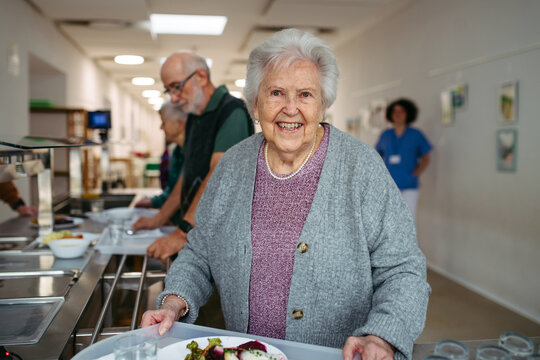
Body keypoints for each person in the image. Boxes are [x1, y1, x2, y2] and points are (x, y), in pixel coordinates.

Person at [141, 29, 430, 360]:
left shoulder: (361, 167)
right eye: (276, 92)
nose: (290, 109)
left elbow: (403, 269)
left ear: (323, 103)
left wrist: (382, 336)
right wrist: (175, 301)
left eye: (306, 94)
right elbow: (199, 253)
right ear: (255, 103)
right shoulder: (233, 165)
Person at [132, 50, 254, 262]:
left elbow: (218, 177)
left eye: (176, 87)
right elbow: (187, 176)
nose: (174, 98)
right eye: (168, 90)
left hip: (222, 243)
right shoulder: (193, 117)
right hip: (196, 237)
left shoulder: (232, 112)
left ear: (201, 76)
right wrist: (160, 218)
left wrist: (182, 232)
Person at [375, 98, 432, 220]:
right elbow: (376, 155)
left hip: (409, 185)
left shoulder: (416, 134)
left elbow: (426, 157)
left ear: (408, 114)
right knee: (390, 222)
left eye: (401, 111)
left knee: (408, 220)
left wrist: (416, 173)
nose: (397, 114)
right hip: (389, 186)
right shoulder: (386, 135)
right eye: (395, 111)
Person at [134, 101, 186, 225]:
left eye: (163, 122)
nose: (160, 128)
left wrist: (158, 220)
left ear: (179, 123)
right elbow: (172, 191)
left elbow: (182, 193)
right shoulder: (176, 152)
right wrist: (152, 202)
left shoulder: (194, 155)